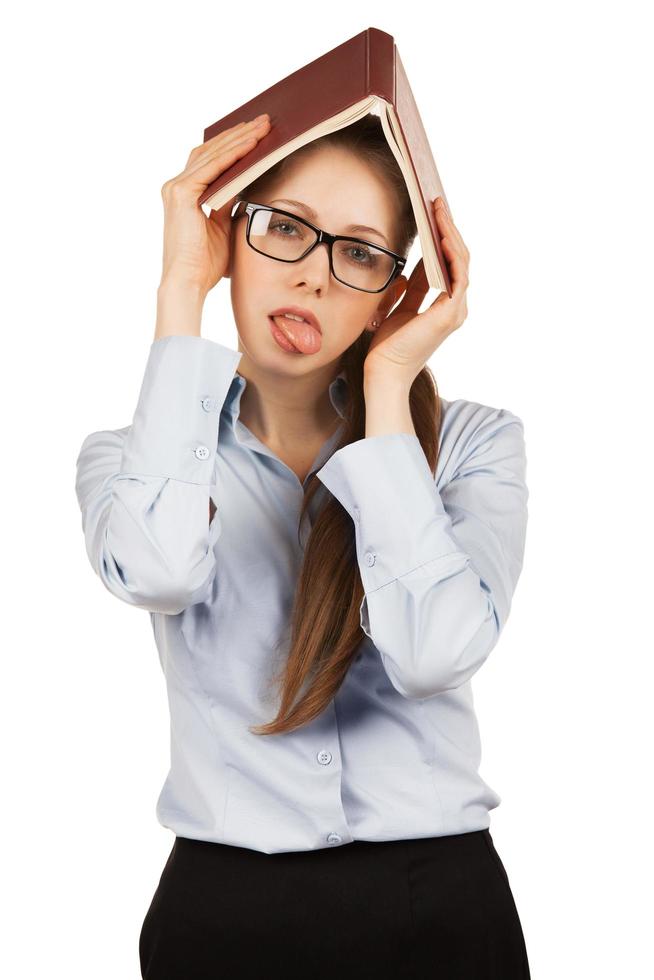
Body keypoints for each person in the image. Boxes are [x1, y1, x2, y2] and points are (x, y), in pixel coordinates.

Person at [75, 111, 531, 979]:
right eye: (284, 228)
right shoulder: (132, 459)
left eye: (358, 252)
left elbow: (434, 655)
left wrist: (390, 385)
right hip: (224, 917)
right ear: (231, 236)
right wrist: (180, 290)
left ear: (394, 291)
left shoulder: (477, 445)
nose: (315, 277)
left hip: (440, 911)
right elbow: (160, 570)